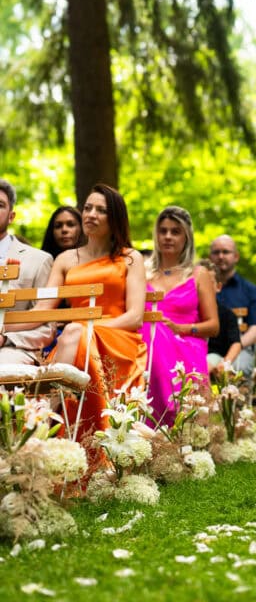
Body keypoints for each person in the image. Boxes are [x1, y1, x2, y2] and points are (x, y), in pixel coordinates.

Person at [38, 183, 147, 445]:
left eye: (101, 210)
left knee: (75, 331)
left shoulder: (130, 258)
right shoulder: (65, 259)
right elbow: (42, 310)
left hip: (118, 339)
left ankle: (41, 421)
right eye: (87, 208)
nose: (91, 214)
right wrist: (5, 326)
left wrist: (88, 329)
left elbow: (135, 317)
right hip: (74, 342)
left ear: (115, 218)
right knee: (74, 333)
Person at [142, 206, 219, 424]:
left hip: (185, 343)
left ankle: (173, 414)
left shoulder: (199, 274)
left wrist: (180, 328)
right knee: (151, 331)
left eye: (175, 232)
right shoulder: (143, 272)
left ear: (186, 237)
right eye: (163, 231)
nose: (168, 236)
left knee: (157, 332)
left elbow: (214, 326)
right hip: (147, 344)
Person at [0, 178, 53, 364]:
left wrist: (6, 338)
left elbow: (47, 327)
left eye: (0, 205)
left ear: (11, 216)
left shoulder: (39, 260)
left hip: (11, 349)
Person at [209, 234, 256, 379]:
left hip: (241, 347)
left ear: (236, 256)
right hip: (208, 348)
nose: (221, 256)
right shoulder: (200, 289)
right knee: (196, 367)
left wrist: (236, 346)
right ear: (210, 257)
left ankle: (238, 395)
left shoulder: (250, 290)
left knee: (236, 370)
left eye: (226, 252)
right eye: (216, 252)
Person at [201, 260, 242, 374]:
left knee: (205, 364)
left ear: (218, 287)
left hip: (214, 356)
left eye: (209, 283)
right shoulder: (189, 311)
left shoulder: (226, 314)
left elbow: (236, 343)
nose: (203, 287)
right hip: (190, 354)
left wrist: (226, 362)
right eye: (199, 282)